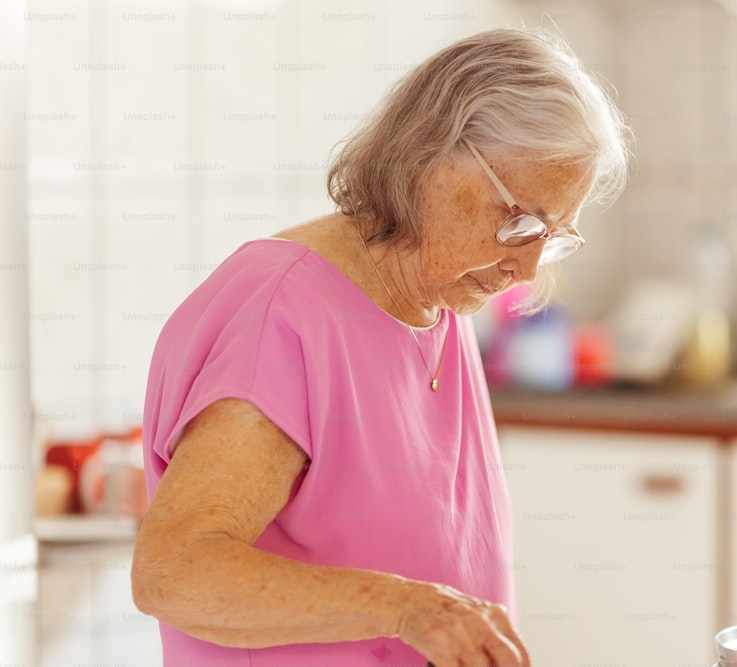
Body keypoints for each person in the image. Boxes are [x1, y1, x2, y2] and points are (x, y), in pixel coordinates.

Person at [131, 27, 631, 667]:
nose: (527, 270)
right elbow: (175, 572)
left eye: (553, 237)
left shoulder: (441, 301)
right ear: (431, 157)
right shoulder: (281, 315)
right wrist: (408, 609)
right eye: (520, 222)